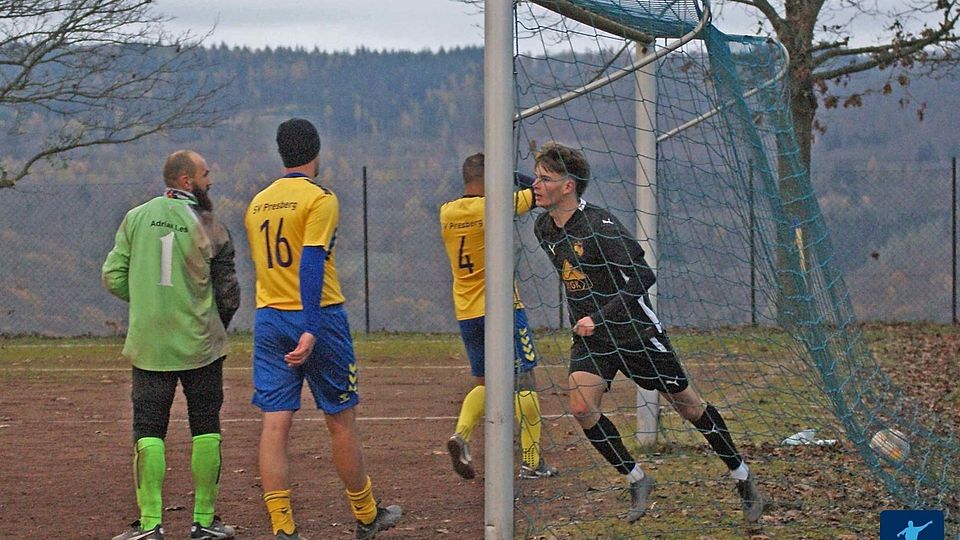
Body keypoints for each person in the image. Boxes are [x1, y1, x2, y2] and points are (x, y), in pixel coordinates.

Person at [530, 141, 764, 524]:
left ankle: (742, 477)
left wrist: (599, 316)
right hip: (595, 338)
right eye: (536, 177)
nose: (535, 185)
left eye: (544, 179)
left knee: (689, 407)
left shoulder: (600, 226)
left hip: (635, 331)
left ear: (568, 185)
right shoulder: (544, 227)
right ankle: (636, 478)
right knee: (581, 407)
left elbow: (643, 275)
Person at [244, 118, 402, 540]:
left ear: (282, 153)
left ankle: (283, 529)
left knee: (275, 425)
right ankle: (367, 516)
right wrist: (311, 327)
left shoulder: (258, 203)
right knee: (340, 420)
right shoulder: (320, 198)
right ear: (316, 151)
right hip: (319, 317)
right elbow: (311, 261)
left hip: (269, 316)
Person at [103, 150, 241, 540]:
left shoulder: (135, 217)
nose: (209, 181)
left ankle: (149, 525)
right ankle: (204, 522)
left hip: (150, 344)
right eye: (205, 174)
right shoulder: (210, 226)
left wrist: (149, 299)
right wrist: (215, 322)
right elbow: (228, 292)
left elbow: (113, 276)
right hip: (200, 344)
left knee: (148, 429)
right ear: (186, 181)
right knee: (205, 426)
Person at [440, 152, 558, 480]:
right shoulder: (492, 208)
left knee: (488, 384)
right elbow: (538, 193)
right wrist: (514, 174)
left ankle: (461, 434)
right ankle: (532, 461)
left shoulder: (446, 212)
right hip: (503, 309)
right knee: (525, 382)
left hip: (467, 312)